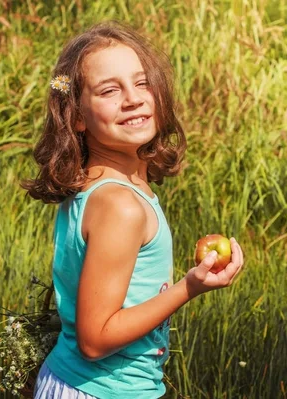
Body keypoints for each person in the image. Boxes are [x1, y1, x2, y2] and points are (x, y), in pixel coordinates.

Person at [22, 21, 245, 399]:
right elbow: (95, 340)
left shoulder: (96, 186)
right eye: (110, 90)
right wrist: (189, 286)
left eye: (141, 83)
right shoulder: (120, 206)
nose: (133, 98)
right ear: (76, 116)